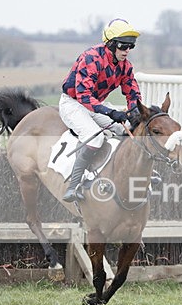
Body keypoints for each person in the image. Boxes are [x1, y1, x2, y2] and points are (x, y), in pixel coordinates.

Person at [60, 18, 143, 202]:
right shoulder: (91, 58)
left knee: (128, 129)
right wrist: (111, 112)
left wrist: (135, 112)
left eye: (131, 46)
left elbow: (132, 93)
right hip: (73, 103)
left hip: (95, 104)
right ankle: (74, 186)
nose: (127, 50)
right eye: (123, 46)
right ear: (111, 44)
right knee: (95, 136)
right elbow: (83, 96)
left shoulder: (126, 66)